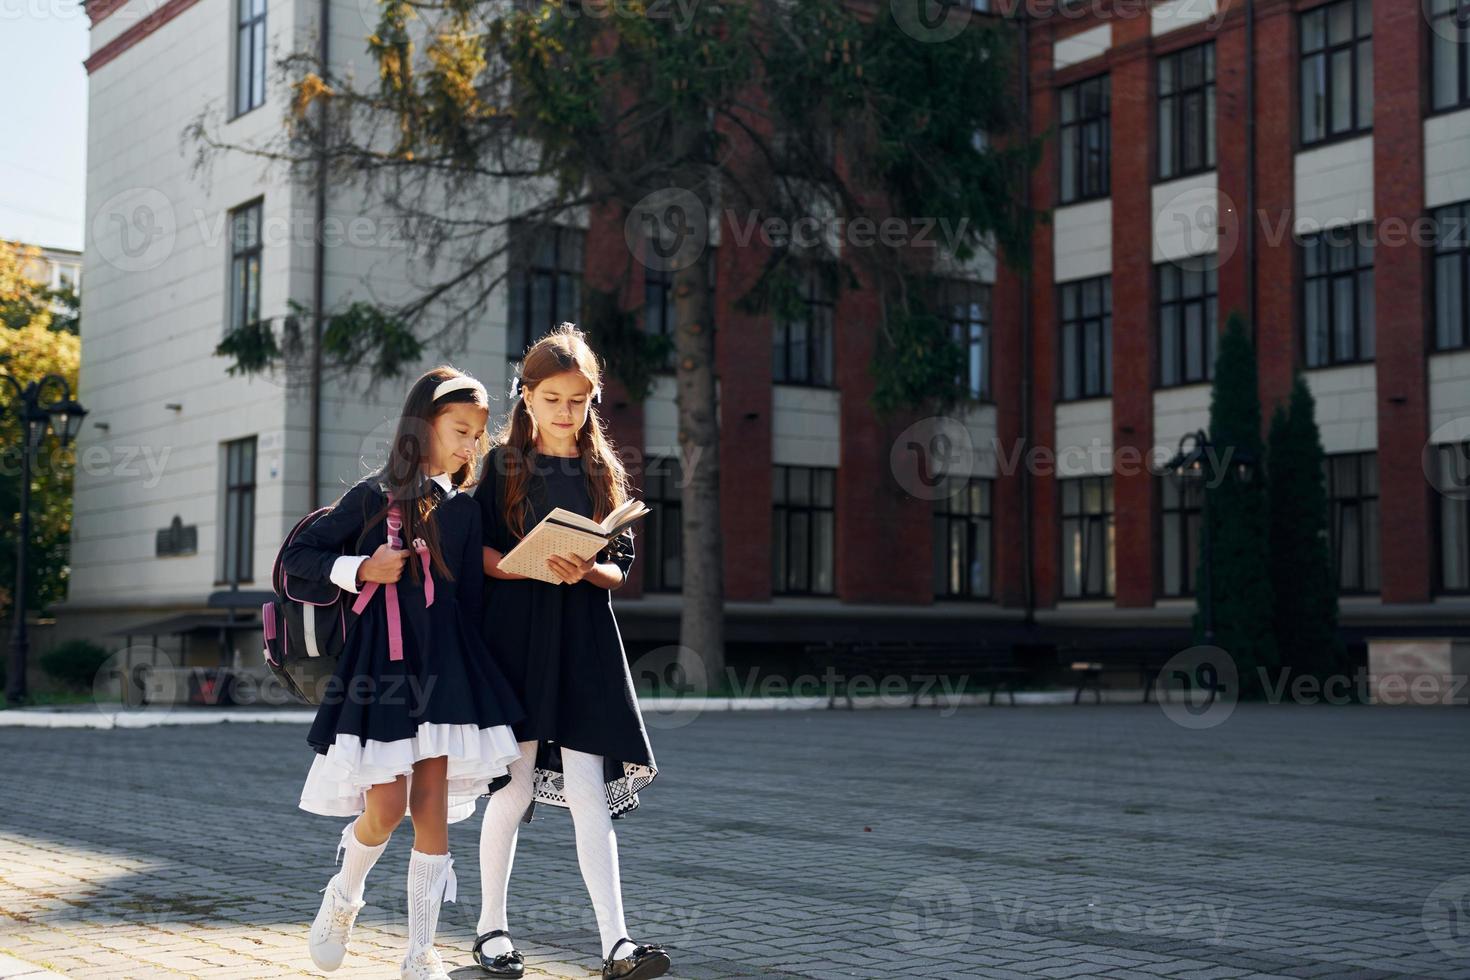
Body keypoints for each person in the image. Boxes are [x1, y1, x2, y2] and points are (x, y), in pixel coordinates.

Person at [283, 366, 526, 980]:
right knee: (386, 808)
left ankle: (421, 953)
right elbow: (295, 563)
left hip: (447, 675)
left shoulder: (466, 511)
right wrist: (363, 567)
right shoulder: (374, 497)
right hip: (383, 672)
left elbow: (471, 600)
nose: (472, 443)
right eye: (459, 429)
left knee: (432, 810)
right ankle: (344, 893)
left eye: (478, 433)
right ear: (423, 427)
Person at [470, 323, 669, 980]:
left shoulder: (601, 469)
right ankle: (491, 931)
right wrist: (531, 566)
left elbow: (619, 567)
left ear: (592, 399)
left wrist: (583, 567)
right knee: (515, 786)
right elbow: (480, 556)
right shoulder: (501, 466)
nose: (565, 411)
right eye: (552, 398)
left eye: (578, 399)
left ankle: (617, 945)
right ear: (525, 397)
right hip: (517, 641)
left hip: (583, 642)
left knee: (590, 789)